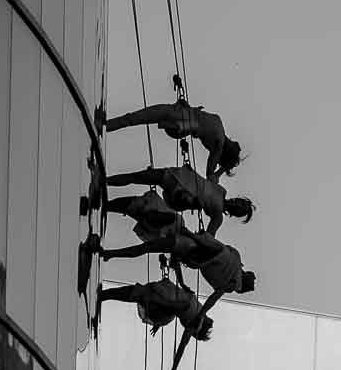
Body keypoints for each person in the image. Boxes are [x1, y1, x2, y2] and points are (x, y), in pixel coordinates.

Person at [98, 228, 255, 300]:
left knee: (144, 248)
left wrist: (191, 235)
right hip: (186, 249)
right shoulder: (227, 279)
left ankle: (110, 254)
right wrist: (183, 283)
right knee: (144, 248)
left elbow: (213, 247)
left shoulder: (233, 263)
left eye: (249, 277)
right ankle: (110, 254)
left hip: (185, 245)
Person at [103, 101, 245, 180]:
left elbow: (199, 118)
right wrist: (221, 171)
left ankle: (105, 125)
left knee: (133, 118)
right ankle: (104, 127)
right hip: (178, 126)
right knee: (134, 120)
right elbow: (210, 175)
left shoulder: (218, 120)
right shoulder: (218, 146)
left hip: (176, 111)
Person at [104, 164, 255, 236]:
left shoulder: (218, 216)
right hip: (180, 177)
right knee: (137, 177)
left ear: (235, 213)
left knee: (139, 178)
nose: (237, 203)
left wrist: (199, 238)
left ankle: (106, 196)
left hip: (182, 196)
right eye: (241, 202)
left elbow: (210, 235)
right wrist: (226, 166)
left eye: (240, 208)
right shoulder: (221, 190)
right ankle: (105, 181)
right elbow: (213, 177)